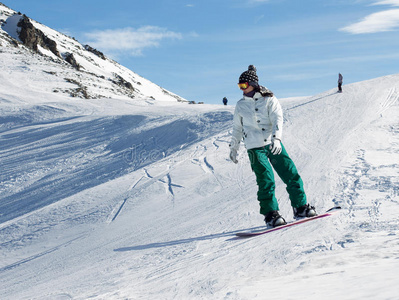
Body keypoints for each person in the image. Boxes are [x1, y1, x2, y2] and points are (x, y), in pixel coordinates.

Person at [229, 65, 316, 227]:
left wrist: (277, 139)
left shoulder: (269, 99)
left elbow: (277, 119)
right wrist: (234, 147)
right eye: (239, 86)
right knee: (265, 179)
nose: (241, 90)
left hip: (272, 143)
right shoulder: (240, 105)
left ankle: (300, 206)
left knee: (290, 172)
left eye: (244, 86)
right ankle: (271, 214)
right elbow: (237, 128)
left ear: (253, 84)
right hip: (254, 147)